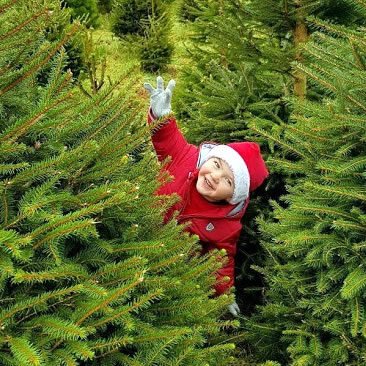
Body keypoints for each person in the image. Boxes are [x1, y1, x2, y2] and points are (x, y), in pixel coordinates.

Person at [144, 76, 269, 316]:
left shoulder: (226, 223)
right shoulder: (186, 159)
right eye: (217, 165)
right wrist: (161, 117)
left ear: (234, 195)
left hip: (167, 260)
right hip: (138, 225)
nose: (215, 176)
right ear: (209, 158)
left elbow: (221, 259)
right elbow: (168, 139)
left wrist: (224, 293)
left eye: (228, 181)